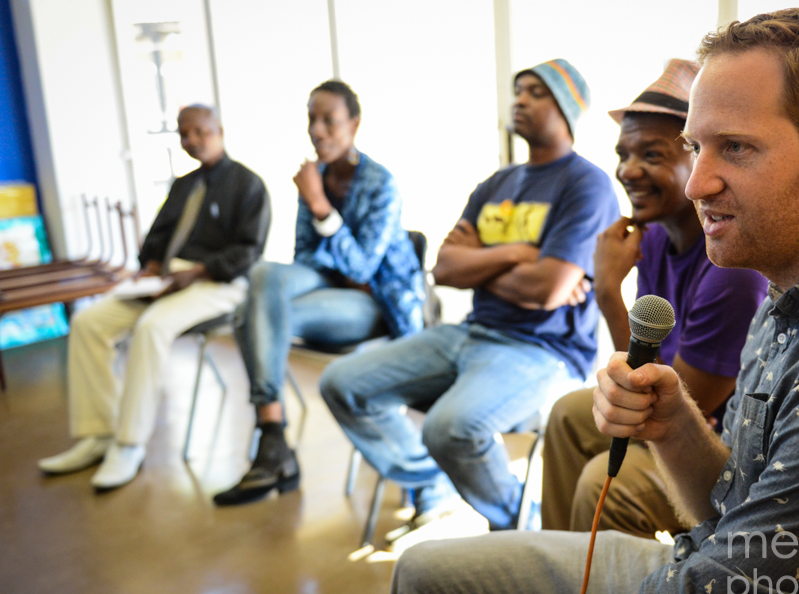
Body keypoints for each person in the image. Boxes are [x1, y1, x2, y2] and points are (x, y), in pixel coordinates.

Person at [389, 9, 799, 594]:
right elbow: (736, 506)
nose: (695, 184)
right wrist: (674, 423)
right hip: (717, 566)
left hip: (736, 593)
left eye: (735, 147)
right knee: (421, 575)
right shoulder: (792, 286)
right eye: (694, 147)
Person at [320, 59, 620, 532]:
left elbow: (547, 289)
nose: (519, 100)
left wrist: (480, 262)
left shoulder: (587, 184)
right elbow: (444, 267)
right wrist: (519, 253)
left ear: (567, 108)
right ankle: (437, 483)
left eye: (536, 92)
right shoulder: (497, 184)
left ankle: (521, 526)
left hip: (543, 350)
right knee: (341, 382)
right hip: (471, 333)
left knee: (450, 428)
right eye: (518, 90)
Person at [541, 60, 768, 540]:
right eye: (623, 154)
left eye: (651, 155)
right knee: (567, 415)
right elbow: (649, 358)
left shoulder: (732, 271)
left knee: (601, 485)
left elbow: (661, 402)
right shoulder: (657, 238)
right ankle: (558, 564)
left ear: (699, 161)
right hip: (677, 404)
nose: (628, 171)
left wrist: (607, 291)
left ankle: (605, 583)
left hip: (714, 443)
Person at [213, 80, 424, 506]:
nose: (317, 130)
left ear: (354, 125)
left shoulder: (380, 183)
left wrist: (320, 205)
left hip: (375, 304)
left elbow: (363, 268)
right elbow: (305, 255)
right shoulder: (318, 176)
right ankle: (273, 431)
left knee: (248, 316)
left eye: (330, 120)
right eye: (312, 119)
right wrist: (319, 212)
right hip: (329, 287)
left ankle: (272, 445)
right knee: (263, 277)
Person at [38, 105, 271, 490]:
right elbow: (158, 236)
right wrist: (150, 266)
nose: (192, 140)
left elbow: (249, 251)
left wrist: (198, 271)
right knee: (88, 323)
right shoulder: (183, 185)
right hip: (167, 281)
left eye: (200, 131)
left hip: (218, 283)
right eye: (184, 134)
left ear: (219, 130)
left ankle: (128, 444)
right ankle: (99, 434)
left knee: (150, 327)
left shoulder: (249, 185)